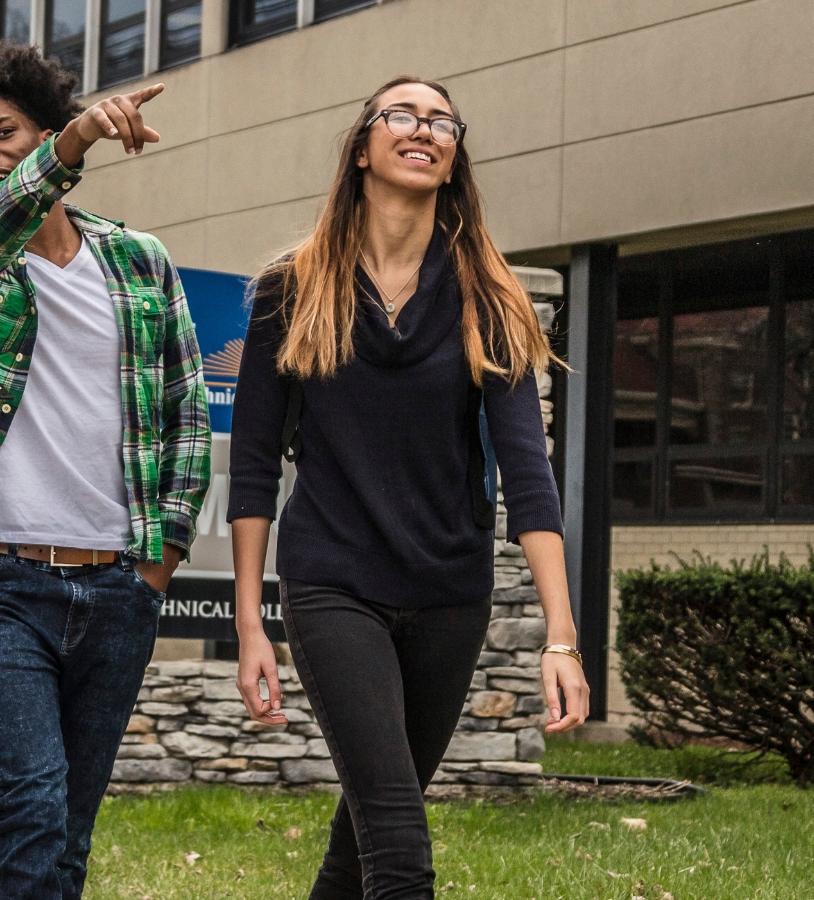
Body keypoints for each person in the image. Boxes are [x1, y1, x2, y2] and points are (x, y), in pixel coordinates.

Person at [226, 77, 597, 900]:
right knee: (398, 843)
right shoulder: (292, 289)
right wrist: (252, 623)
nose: (423, 128)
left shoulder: (489, 297)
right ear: (363, 148)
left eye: (442, 121)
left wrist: (562, 637)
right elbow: (252, 466)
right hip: (333, 584)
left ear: (453, 158)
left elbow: (527, 473)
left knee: (358, 843)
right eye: (402, 114)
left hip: (448, 594)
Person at [0, 41, 209, 899]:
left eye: (3, 132)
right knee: (32, 805)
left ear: (38, 129)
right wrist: (72, 145)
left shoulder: (139, 260)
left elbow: (186, 412)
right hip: (1, 584)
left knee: (69, 828)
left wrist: (159, 562)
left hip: (118, 588)